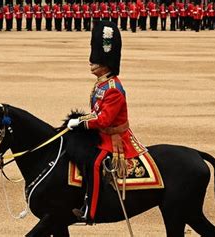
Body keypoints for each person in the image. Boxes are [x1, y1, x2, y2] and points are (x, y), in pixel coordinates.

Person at [67, 21, 146, 224]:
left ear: (106, 64)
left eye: (95, 61)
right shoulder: (101, 83)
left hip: (114, 137)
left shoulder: (113, 88)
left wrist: (81, 123)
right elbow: (97, 112)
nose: (91, 63)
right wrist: (80, 120)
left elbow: (104, 119)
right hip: (102, 132)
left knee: (94, 163)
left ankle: (90, 211)